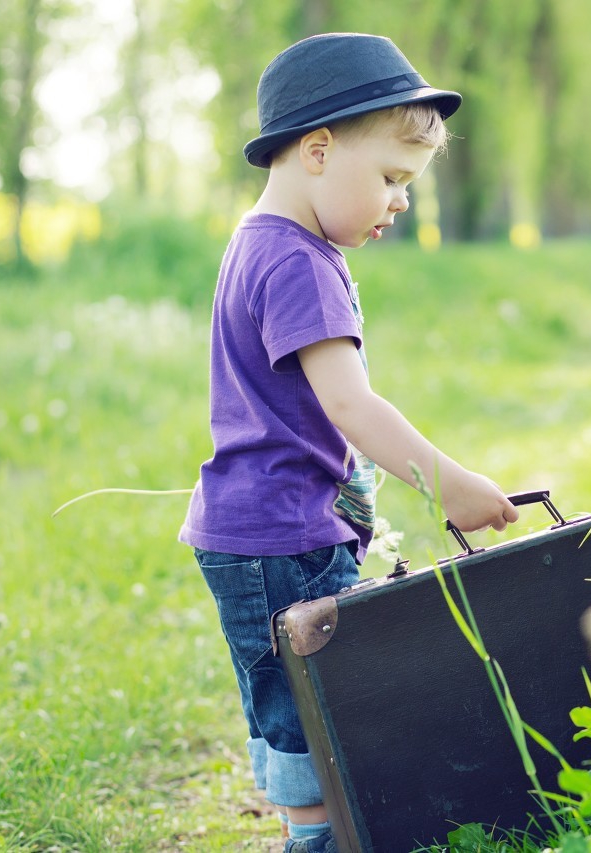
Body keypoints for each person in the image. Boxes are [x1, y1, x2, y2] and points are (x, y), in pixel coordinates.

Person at [178, 33, 520, 853]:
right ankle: (318, 840)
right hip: (282, 537)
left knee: (291, 704)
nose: (401, 203)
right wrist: (451, 484)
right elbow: (349, 405)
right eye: (393, 179)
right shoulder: (298, 261)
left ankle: (317, 828)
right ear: (320, 150)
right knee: (311, 717)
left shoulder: (259, 241)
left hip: (265, 530)